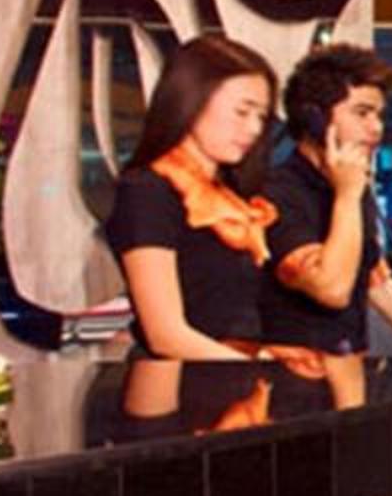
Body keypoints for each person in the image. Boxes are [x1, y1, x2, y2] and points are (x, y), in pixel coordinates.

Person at [105, 33, 284, 360]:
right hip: (181, 380)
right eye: (242, 112)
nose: (254, 129)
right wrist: (251, 368)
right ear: (191, 101)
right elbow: (166, 335)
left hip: (235, 372)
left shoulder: (233, 193)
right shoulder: (148, 191)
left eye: (261, 116)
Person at [263, 41, 392, 354]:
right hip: (293, 372)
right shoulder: (275, 193)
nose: (377, 128)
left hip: (350, 364)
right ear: (315, 119)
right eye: (362, 113)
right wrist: (347, 196)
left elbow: (375, 278)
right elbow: (331, 289)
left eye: (379, 115)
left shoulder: (351, 185)